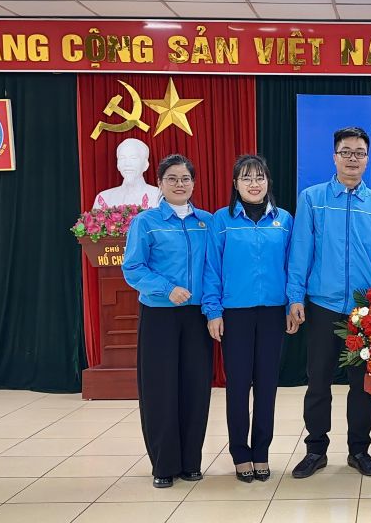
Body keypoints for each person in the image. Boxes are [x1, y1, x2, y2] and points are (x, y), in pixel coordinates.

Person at [287, 126, 371, 478]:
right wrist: (295, 297)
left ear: (368, 159)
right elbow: (300, 253)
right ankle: (315, 450)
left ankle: (359, 450)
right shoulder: (313, 198)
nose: (353, 158)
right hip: (323, 306)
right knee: (318, 381)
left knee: (363, 385)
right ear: (334, 156)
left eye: (360, 153)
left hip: (365, 310)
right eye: (346, 152)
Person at [122, 154, 214, 489]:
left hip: (196, 315)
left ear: (193, 182)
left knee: (195, 387)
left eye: (186, 178)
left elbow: (212, 269)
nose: (179, 184)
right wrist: (166, 288)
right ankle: (163, 463)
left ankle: (191, 461)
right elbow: (133, 268)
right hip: (160, 314)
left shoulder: (205, 222)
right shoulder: (145, 222)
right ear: (160, 183)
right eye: (172, 178)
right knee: (160, 389)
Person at [202, 155, 293, 483]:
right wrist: (213, 311)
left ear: (268, 182)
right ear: (235, 184)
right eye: (246, 178)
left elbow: (291, 267)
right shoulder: (221, 220)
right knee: (238, 386)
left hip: (272, 314)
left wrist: (291, 305)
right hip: (235, 315)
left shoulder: (284, 220)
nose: (254, 184)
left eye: (260, 177)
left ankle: (262, 452)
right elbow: (210, 269)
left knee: (267, 386)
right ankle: (240, 452)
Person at [93, 138, 162, 209]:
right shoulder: (104, 197)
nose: (127, 164)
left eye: (133, 158)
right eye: (122, 158)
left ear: (145, 165)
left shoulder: (159, 196)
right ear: (118, 165)